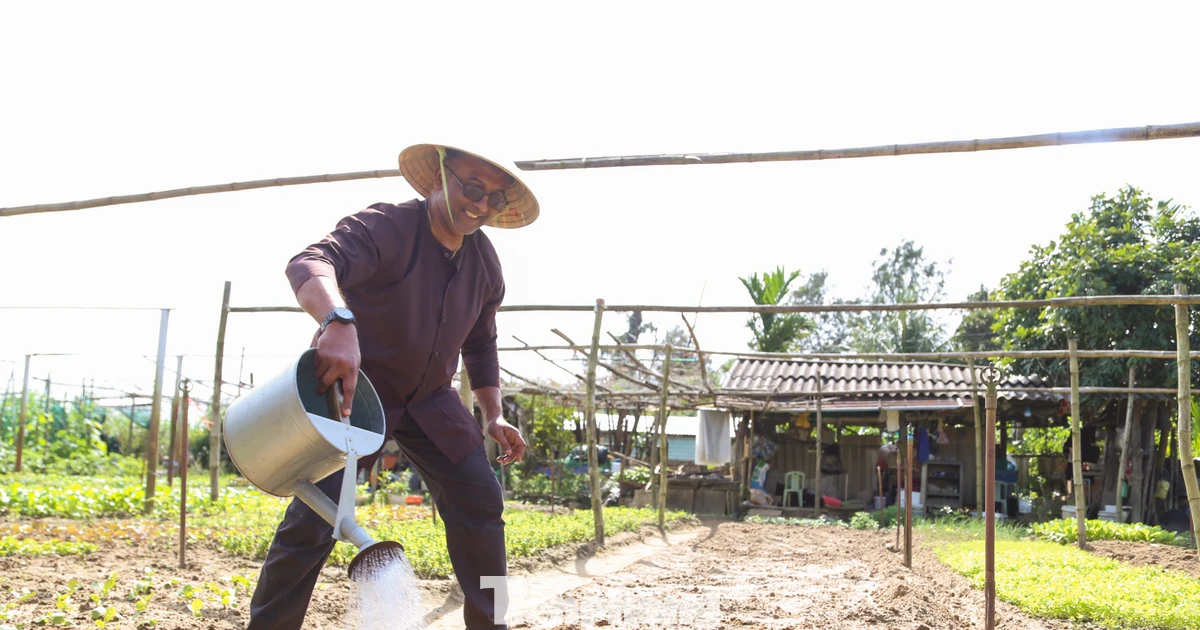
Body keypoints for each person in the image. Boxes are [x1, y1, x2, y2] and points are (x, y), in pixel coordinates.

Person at [247, 144, 535, 630]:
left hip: (432, 400)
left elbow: (481, 344)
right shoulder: (387, 226)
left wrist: (493, 415)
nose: (480, 205)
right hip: (356, 392)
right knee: (314, 522)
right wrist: (337, 320)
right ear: (439, 178)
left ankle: (492, 621)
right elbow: (310, 261)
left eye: (493, 198)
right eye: (471, 187)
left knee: (483, 507)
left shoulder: (485, 266)